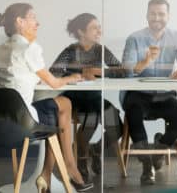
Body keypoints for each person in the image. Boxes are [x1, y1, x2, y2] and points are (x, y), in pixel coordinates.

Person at [0, 3, 93, 192]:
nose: (37, 23)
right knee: (64, 105)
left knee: (61, 105)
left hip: (1, 118)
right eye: (32, 18)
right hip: (25, 120)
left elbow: (15, 76)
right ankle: (62, 170)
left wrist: (32, 79)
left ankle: (53, 172)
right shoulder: (30, 48)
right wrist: (73, 77)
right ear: (20, 22)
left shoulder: (0, 49)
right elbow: (55, 83)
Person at [121, 0, 177, 185]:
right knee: (134, 115)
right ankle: (147, 167)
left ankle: (158, 150)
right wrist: (145, 62)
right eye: (153, 13)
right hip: (138, 94)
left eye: (161, 14)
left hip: (164, 94)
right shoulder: (134, 38)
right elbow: (126, 71)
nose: (157, 18)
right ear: (146, 16)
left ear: (168, 16)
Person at [50, 13, 124, 182]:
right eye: (94, 28)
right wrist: (78, 73)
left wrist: (98, 72)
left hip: (95, 98)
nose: (99, 31)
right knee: (89, 118)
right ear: (81, 32)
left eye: (99, 27)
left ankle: (97, 150)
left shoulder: (100, 50)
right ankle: (82, 158)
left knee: (117, 125)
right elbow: (53, 73)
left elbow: (121, 71)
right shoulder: (70, 51)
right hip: (74, 99)